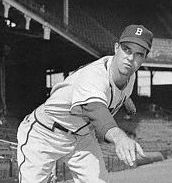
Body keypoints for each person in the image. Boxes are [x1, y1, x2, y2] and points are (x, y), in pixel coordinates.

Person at [17, 24, 153, 183]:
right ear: (116, 48)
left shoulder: (130, 76)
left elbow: (118, 91)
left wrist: (127, 101)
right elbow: (95, 110)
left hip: (82, 137)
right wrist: (120, 138)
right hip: (45, 133)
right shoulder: (93, 76)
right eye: (127, 49)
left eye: (138, 54)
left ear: (144, 58)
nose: (130, 58)